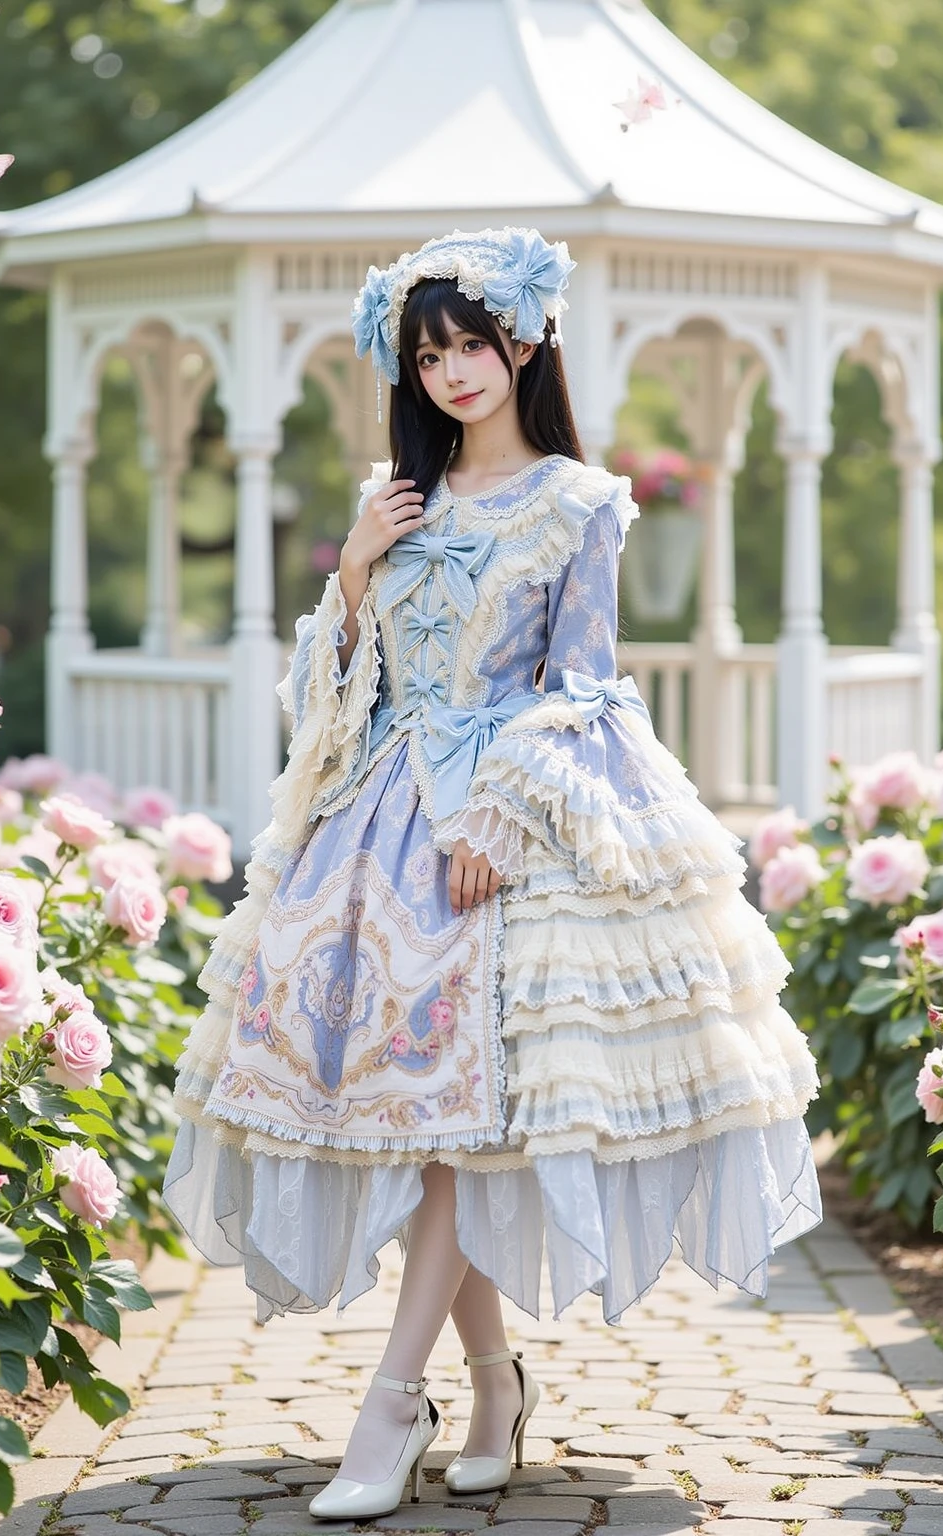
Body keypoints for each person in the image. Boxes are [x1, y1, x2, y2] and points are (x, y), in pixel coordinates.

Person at [162, 226, 821, 1521]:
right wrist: (355, 566)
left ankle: (390, 1404)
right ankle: (491, 1383)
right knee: (428, 1129)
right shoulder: (396, 499)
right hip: (375, 832)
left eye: (472, 344)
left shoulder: (580, 504)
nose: (453, 372)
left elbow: (586, 690)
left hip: (503, 836)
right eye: (428, 356)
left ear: (522, 345)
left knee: (466, 1125)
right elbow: (336, 699)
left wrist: (502, 818)